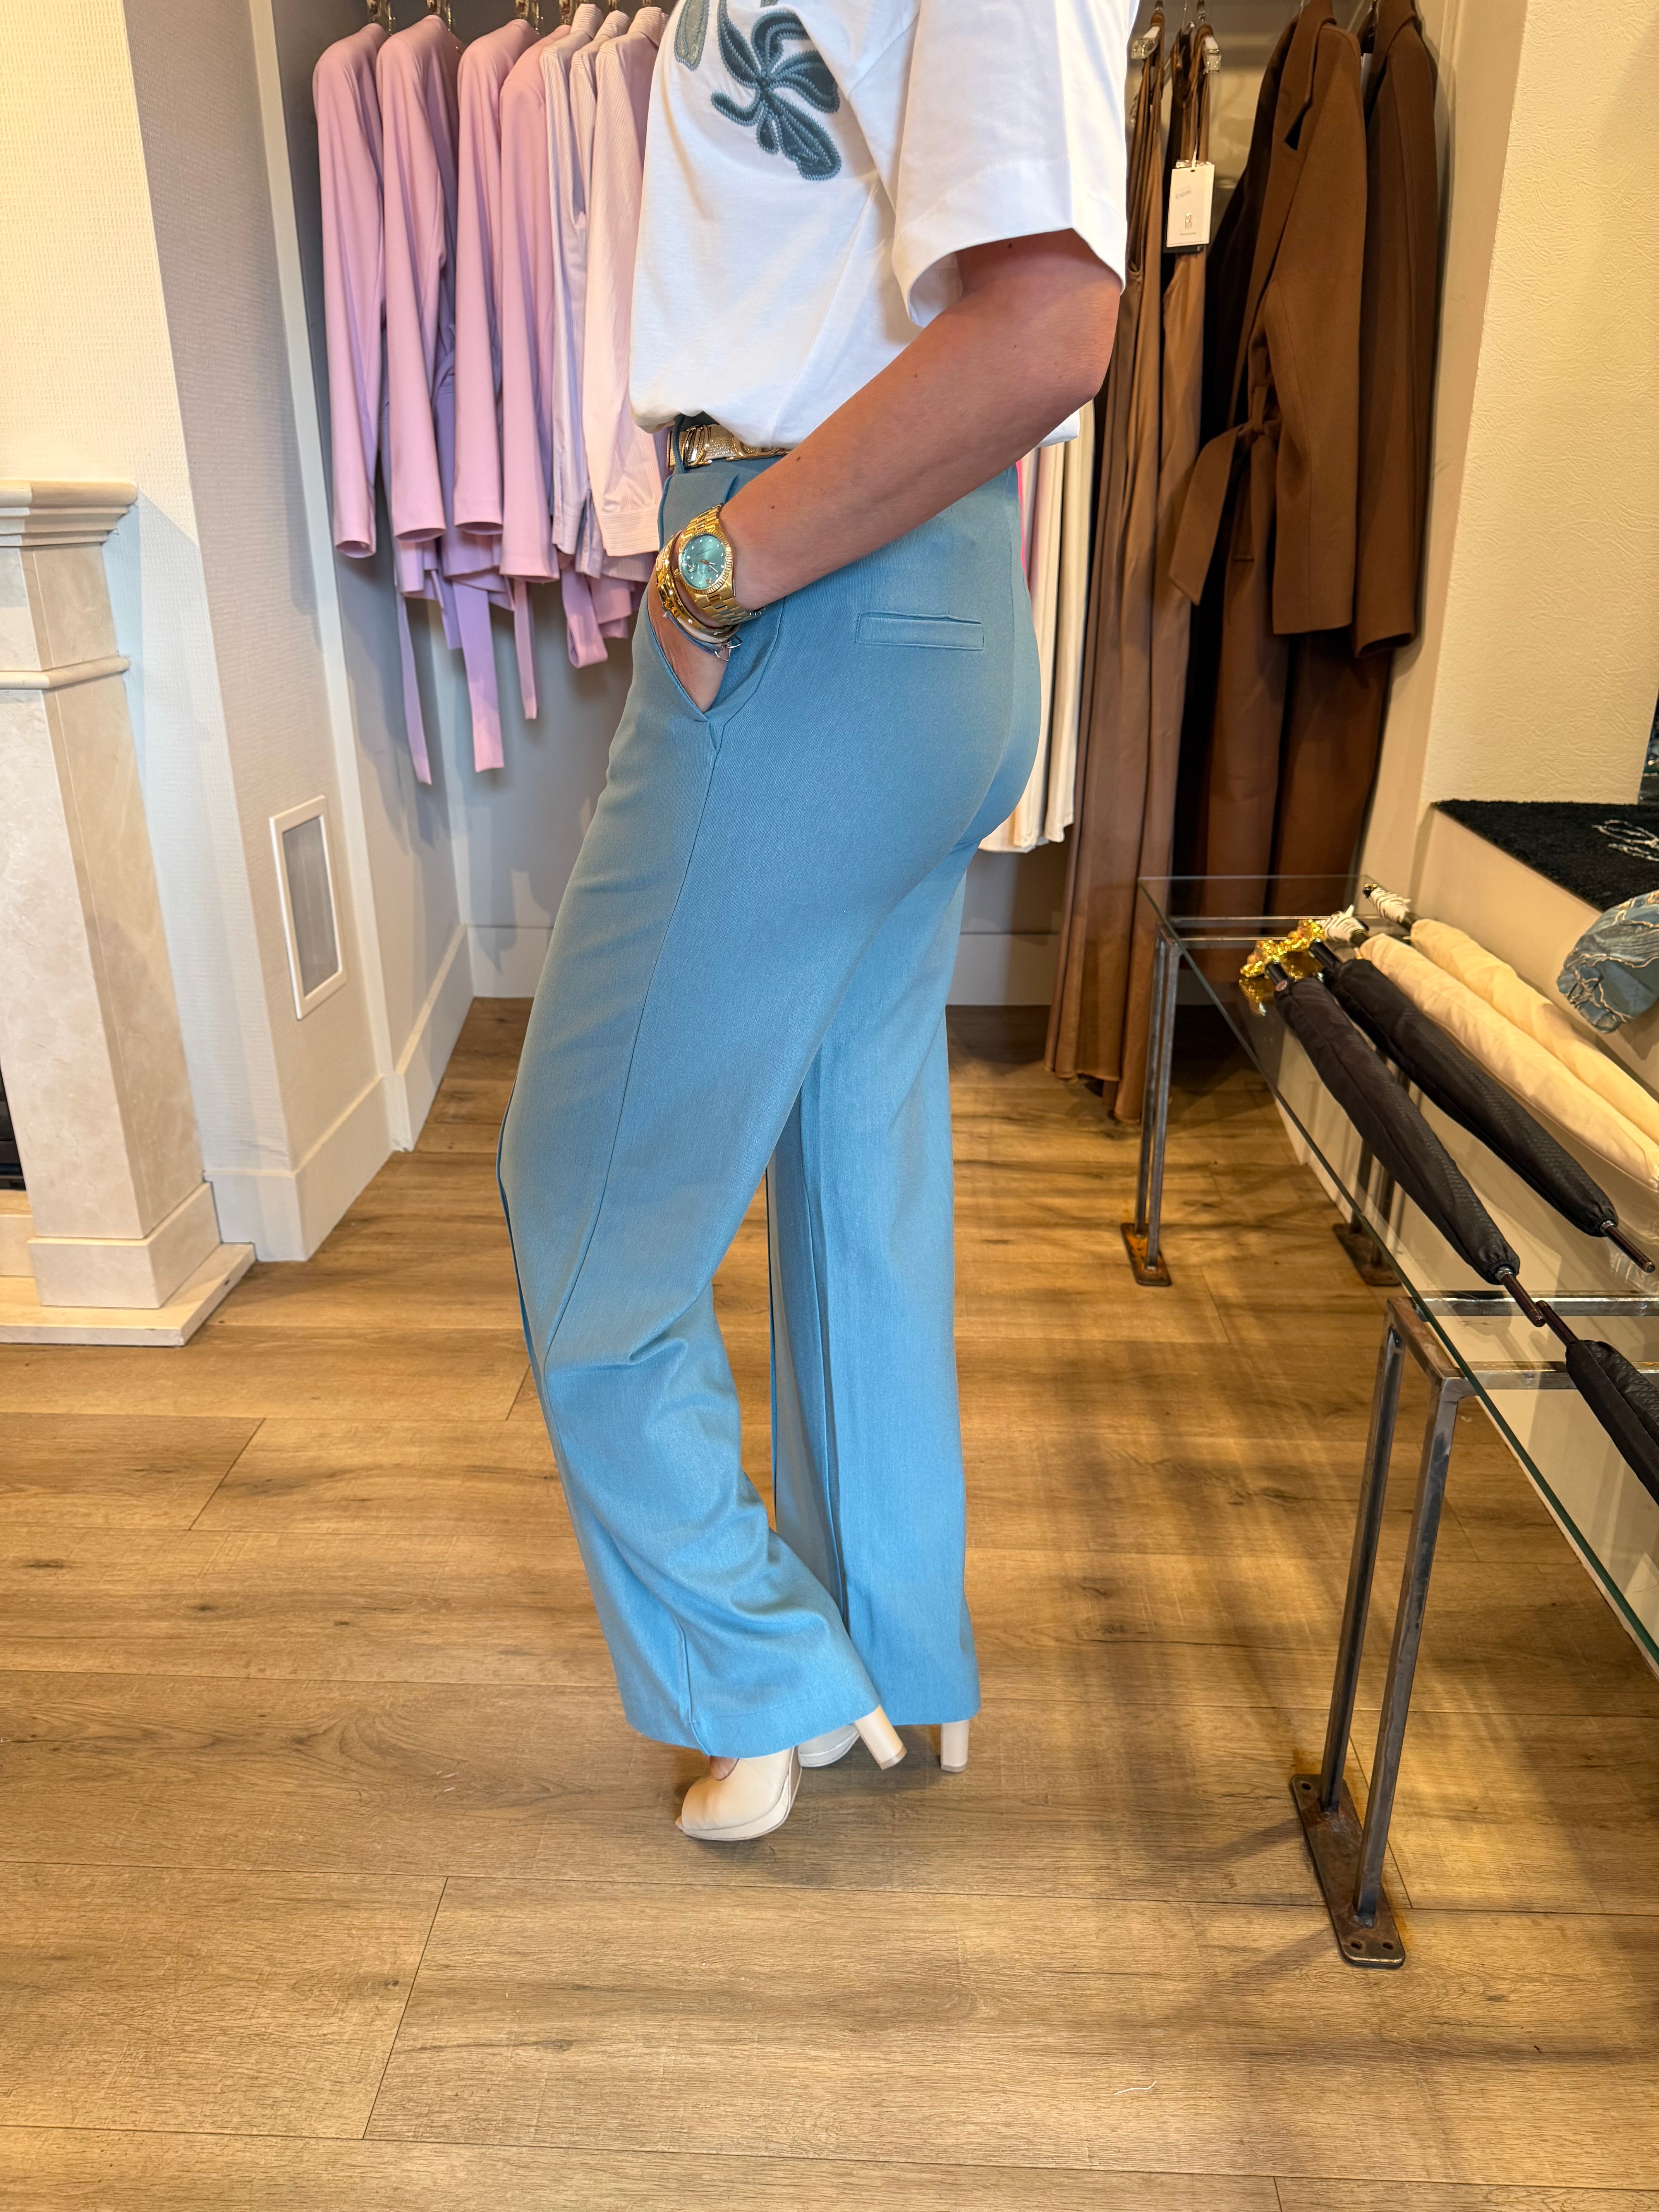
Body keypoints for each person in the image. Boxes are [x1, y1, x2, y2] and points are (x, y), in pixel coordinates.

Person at [499, 0, 1128, 1843]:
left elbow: (1050, 321)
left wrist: (718, 567)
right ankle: (897, 1653)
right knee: (858, 1155)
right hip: (903, 596)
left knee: (583, 1204)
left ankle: (765, 1672)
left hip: (806, 582)